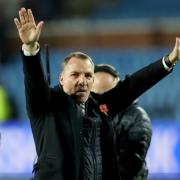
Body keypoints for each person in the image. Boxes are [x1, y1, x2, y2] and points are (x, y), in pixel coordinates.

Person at [14, 7, 180, 180]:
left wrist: (169, 60)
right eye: (75, 75)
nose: (82, 80)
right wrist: (30, 48)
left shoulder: (99, 106)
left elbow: (133, 85)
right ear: (61, 79)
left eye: (87, 75)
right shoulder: (47, 104)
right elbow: (35, 81)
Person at [92, 64, 151, 180]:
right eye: (95, 96)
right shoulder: (84, 116)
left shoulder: (137, 117)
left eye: (108, 94)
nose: (102, 101)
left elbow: (128, 165)